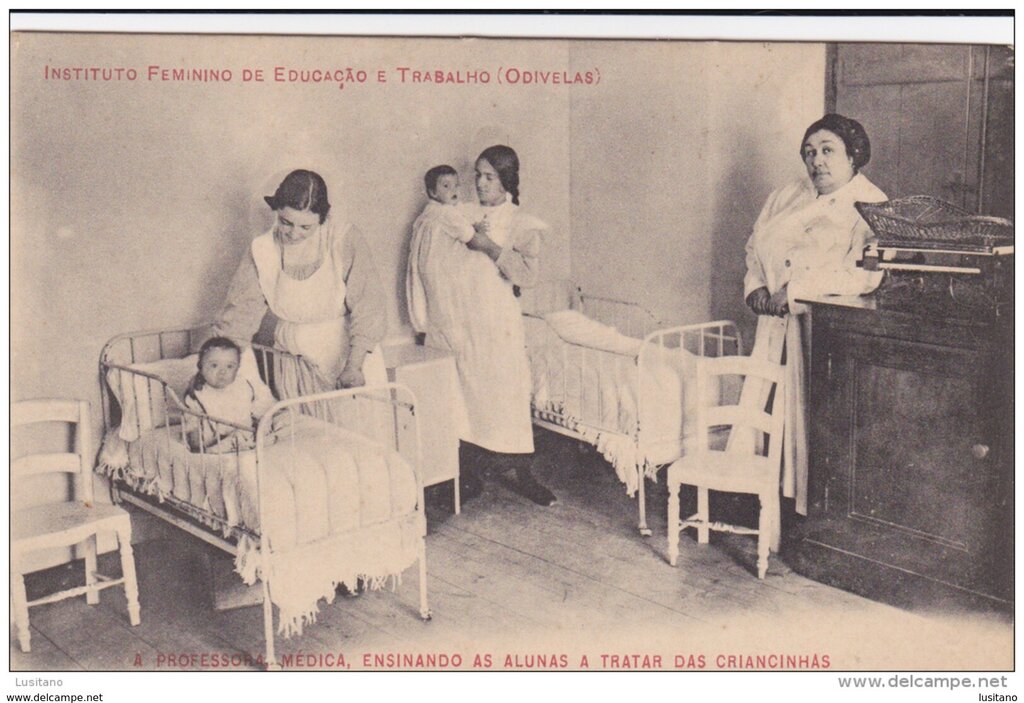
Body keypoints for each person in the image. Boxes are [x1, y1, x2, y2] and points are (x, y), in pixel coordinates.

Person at [742, 113, 886, 516]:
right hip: (772, 323)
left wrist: (795, 292)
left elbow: (865, 276)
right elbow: (755, 245)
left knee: (804, 421)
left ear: (853, 156)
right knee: (763, 410)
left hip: (818, 329)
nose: (816, 161)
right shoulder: (788, 194)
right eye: (809, 152)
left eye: (827, 151)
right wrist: (755, 286)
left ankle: (798, 512)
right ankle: (756, 499)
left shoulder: (872, 204)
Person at [407, 145, 556, 506]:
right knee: (463, 401)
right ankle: (467, 475)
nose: (480, 183)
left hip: (495, 325)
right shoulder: (461, 212)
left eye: (489, 176)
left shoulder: (522, 222)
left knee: (505, 399)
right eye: (477, 175)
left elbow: (528, 276)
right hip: (460, 325)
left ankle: (523, 472)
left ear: (506, 179)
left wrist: (491, 247)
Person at [212, 169, 388, 400]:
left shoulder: (342, 239)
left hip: (350, 358)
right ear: (277, 211)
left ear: (322, 219)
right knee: (303, 421)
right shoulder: (262, 250)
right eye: (286, 223)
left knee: (354, 419)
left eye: (306, 227)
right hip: (293, 360)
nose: (294, 234)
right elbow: (239, 317)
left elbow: (369, 306)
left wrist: (353, 367)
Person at [183, 336, 276, 452]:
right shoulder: (197, 393)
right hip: (213, 441)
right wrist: (196, 443)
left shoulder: (242, 386)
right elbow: (192, 424)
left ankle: (244, 443)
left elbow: (256, 409)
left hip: (243, 434)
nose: (222, 372)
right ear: (200, 366)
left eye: (230, 366)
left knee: (261, 430)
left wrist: (261, 422)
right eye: (214, 365)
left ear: (237, 369)